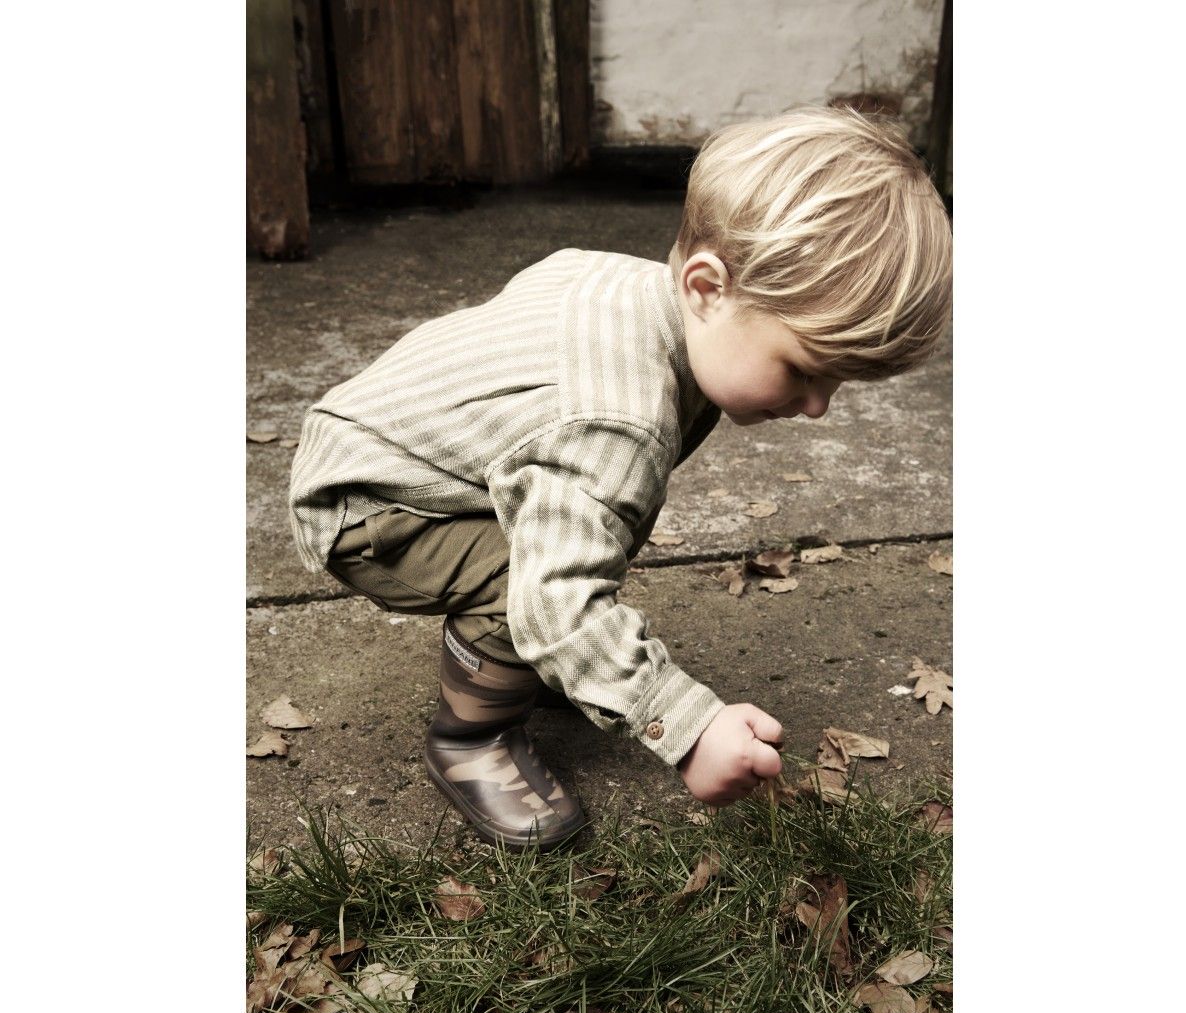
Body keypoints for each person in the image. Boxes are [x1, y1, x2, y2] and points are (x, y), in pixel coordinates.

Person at [288, 106, 952, 850]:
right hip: (366, 505)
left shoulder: (631, 289)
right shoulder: (616, 420)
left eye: (839, 382)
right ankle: (470, 739)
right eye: (803, 370)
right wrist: (688, 728)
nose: (819, 407)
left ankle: (550, 667)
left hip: (383, 442)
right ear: (707, 287)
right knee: (532, 587)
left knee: (588, 527)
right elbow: (559, 598)